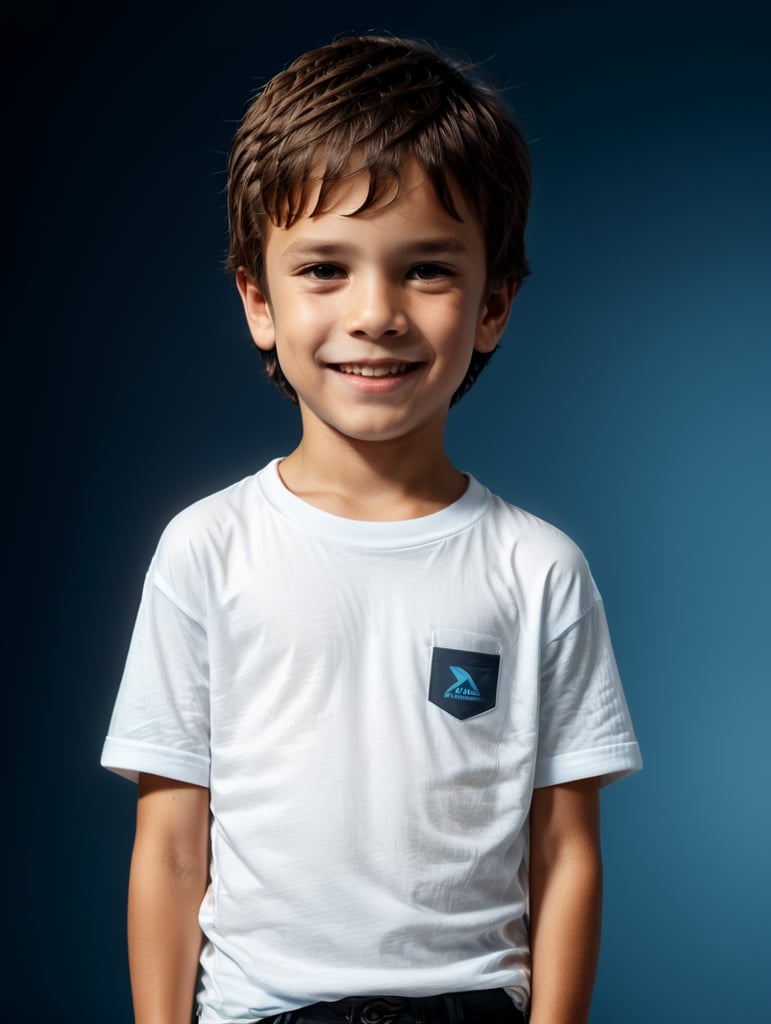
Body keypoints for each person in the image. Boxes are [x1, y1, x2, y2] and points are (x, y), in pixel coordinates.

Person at [101, 34, 642, 1024]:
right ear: (258, 300)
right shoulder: (206, 549)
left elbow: (564, 853)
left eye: (427, 269)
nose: (376, 313)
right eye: (324, 269)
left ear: (495, 305)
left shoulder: (538, 569)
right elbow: (173, 847)